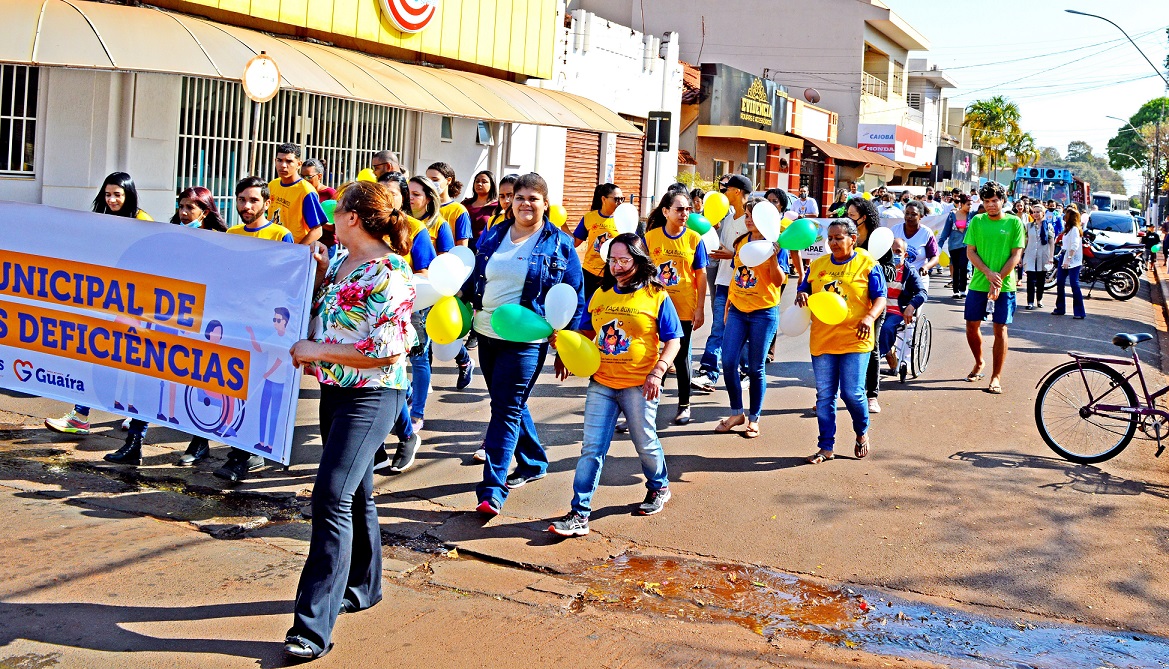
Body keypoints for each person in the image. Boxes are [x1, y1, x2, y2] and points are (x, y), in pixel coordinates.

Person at [282, 180, 415, 661]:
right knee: (356, 491)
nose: (331, 220)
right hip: (336, 391)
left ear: (354, 218)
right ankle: (365, 584)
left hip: (374, 396)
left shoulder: (390, 273)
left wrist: (316, 350)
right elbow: (332, 312)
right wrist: (319, 275)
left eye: (337, 212)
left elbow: (387, 348)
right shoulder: (342, 260)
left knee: (330, 496)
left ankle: (311, 628)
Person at [462, 172, 585, 515]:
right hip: (486, 332)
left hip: (527, 338)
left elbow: (574, 294)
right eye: (520, 197)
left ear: (546, 203)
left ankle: (492, 491)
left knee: (505, 408)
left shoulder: (559, 244)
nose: (526, 204)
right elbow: (477, 276)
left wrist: (566, 343)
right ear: (510, 201)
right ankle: (532, 461)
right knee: (508, 402)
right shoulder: (494, 234)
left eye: (534, 198)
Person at [548, 233, 682, 537]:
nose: (617, 266)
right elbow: (584, 332)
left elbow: (674, 339)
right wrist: (565, 349)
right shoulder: (601, 294)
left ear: (639, 259)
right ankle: (579, 513)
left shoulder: (657, 295)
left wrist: (658, 371)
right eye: (612, 260)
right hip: (602, 383)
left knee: (645, 441)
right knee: (591, 449)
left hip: (640, 384)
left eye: (624, 260)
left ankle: (658, 486)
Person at [200, 177, 298, 481]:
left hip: (266, 329)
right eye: (242, 199)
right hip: (237, 325)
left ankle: (242, 457)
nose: (246, 206)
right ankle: (242, 451)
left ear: (267, 204)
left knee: (257, 390)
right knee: (237, 388)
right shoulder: (232, 233)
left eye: (254, 200)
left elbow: (287, 283)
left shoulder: (281, 236)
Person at [45, 172, 153, 437]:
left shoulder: (143, 221)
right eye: (107, 194)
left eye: (117, 194)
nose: (112, 199)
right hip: (105, 302)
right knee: (98, 356)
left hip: (133, 305)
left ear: (129, 194)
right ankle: (81, 416)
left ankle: (137, 414)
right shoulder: (100, 220)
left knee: (131, 361)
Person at [797, 218, 886, 464]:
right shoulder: (818, 265)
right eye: (831, 238)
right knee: (825, 395)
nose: (834, 242)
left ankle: (861, 432)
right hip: (823, 340)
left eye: (839, 238)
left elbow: (880, 298)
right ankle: (825, 447)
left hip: (856, 338)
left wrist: (869, 317)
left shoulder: (868, 263)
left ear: (853, 239)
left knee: (852, 393)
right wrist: (802, 293)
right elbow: (803, 288)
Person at [369, 172, 434, 474]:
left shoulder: (417, 229)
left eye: (391, 193)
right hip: (367, 313)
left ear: (404, 198)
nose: (384, 197)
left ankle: (407, 436)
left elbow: (426, 273)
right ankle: (379, 447)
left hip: (405, 313)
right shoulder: (370, 227)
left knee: (393, 376)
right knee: (378, 378)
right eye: (379, 191)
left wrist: (395, 281)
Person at [715, 197, 786, 438]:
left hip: (763, 313)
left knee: (756, 368)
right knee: (727, 361)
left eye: (752, 216)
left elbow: (778, 282)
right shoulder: (740, 241)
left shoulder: (776, 245)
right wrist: (727, 307)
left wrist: (774, 258)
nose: (748, 220)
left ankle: (754, 418)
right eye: (746, 215)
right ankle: (737, 413)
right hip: (737, 310)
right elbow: (737, 273)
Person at [406, 176, 474, 426]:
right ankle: (411, 395)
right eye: (408, 193)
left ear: (428, 198)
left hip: (429, 294)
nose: (411, 198)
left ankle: (417, 413)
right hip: (402, 298)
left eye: (416, 194)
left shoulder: (440, 225)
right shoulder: (400, 223)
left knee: (423, 353)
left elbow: (447, 263)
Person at [645, 191, 708, 425]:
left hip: (683, 307)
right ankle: (647, 407)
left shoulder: (694, 239)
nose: (685, 214)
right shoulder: (650, 238)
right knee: (652, 355)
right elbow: (642, 271)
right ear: (666, 211)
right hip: (653, 305)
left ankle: (684, 405)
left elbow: (701, 276)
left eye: (688, 209)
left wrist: (700, 308)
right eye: (680, 209)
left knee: (680, 357)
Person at [963, 181, 1025, 395]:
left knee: (1000, 329)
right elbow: (970, 252)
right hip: (979, 283)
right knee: (972, 326)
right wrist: (988, 274)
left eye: (995, 201)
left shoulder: (1014, 222)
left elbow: (1016, 255)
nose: (991, 205)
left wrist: (997, 279)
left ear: (1002, 200)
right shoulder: (977, 221)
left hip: (1005, 286)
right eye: (987, 201)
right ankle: (979, 362)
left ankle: (996, 377)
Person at [697, 174, 752, 388]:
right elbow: (723, 247)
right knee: (718, 328)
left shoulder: (751, 219)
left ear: (737, 191)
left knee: (744, 331)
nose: (724, 193)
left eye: (727, 189)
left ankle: (746, 371)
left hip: (744, 285)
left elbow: (757, 251)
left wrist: (732, 255)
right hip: (722, 282)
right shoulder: (728, 219)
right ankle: (708, 372)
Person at [846, 196, 890, 414]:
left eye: (852, 216)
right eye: (847, 215)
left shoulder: (878, 239)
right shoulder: (846, 238)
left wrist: (877, 266)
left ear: (864, 217)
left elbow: (891, 271)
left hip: (872, 303)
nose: (849, 219)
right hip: (847, 301)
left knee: (871, 346)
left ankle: (871, 395)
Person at [878, 239, 927, 375]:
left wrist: (911, 306)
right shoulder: (880, 267)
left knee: (887, 328)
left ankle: (876, 357)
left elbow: (922, 292)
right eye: (892, 251)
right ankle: (885, 352)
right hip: (878, 308)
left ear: (905, 254)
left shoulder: (909, 271)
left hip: (897, 311)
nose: (894, 254)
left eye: (898, 252)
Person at [268, 143, 326, 246]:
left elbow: (317, 230)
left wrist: (296, 250)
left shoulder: (306, 191)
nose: (283, 165)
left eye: (289, 161)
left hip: (291, 252)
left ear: (299, 164)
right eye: (279, 160)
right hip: (271, 248)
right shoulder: (272, 185)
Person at [573, 183, 623, 301]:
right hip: (590, 273)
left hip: (614, 273)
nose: (620, 202)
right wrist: (563, 224)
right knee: (586, 307)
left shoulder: (624, 219)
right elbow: (575, 242)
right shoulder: (589, 218)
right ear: (604, 199)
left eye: (622, 199)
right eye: (616, 199)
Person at [890, 201, 940, 290]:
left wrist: (926, 267)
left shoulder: (926, 233)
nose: (909, 216)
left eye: (913, 214)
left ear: (921, 216)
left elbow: (935, 257)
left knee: (915, 303)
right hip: (897, 278)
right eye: (907, 213)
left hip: (918, 278)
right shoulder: (895, 230)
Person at [426, 162, 473, 247]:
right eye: (427, 180)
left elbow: (462, 247)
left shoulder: (459, 210)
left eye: (435, 180)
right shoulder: (423, 206)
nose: (430, 183)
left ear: (448, 180)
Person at [1052, 205, 1086, 320]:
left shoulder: (1075, 230)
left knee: (1074, 284)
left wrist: (1068, 259)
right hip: (1064, 256)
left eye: (1066, 215)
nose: (1064, 217)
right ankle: (1060, 308)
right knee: (1060, 282)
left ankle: (1079, 312)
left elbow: (1074, 246)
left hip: (1073, 260)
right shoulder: (1068, 229)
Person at [1021, 202, 1055, 310]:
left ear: (1043, 213)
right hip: (1030, 255)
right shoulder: (1028, 226)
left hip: (1043, 256)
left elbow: (1051, 242)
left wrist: (1051, 257)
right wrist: (1020, 256)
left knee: (1041, 280)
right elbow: (1024, 242)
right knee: (1030, 280)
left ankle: (1039, 299)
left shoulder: (1048, 226)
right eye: (1034, 212)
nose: (1036, 214)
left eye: (1038, 212)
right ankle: (1030, 301)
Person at [937, 194, 972, 299]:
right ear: (961, 204)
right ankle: (956, 290)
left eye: (971, 204)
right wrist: (939, 246)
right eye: (968, 204)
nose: (970, 206)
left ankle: (963, 289)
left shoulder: (971, 216)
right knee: (956, 267)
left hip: (966, 245)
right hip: (953, 245)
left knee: (963, 266)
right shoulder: (952, 215)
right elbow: (945, 231)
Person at [462, 169, 499, 250]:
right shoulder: (465, 204)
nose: (479, 184)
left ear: (492, 184)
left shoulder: (497, 206)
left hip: (485, 247)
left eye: (484, 181)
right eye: (477, 181)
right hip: (464, 245)